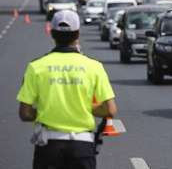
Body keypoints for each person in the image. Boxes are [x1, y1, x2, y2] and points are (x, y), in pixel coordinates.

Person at [17, 10, 117, 169]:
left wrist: (48, 110)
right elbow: (110, 110)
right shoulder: (94, 67)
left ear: (52, 33)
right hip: (82, 146)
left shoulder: (36, 67)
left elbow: (25, 113)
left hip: (48, 146)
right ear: (77, 34)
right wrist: (82, 108)